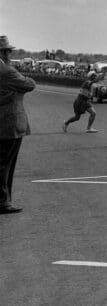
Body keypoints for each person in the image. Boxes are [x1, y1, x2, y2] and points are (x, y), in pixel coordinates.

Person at [0, 36, 36, 214]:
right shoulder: (7, 71)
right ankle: (3, 202)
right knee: (5, 164)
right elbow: (29, 84)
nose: (9, 54)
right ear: (3, 53)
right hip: (9, 124)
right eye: (7, 51)